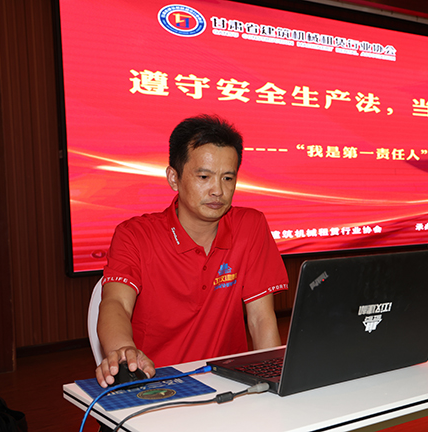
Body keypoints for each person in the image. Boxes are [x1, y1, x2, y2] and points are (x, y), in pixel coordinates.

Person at [95, 114, 288, 388]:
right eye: (204, 177)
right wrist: (123, 350)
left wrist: (274, 383)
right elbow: (116, 303)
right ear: (174, 178)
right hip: (157, 382)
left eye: (228, 178)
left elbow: (261, 319)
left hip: (229, 383)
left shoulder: (250, 226)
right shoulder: (135, 235)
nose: (218, 190)